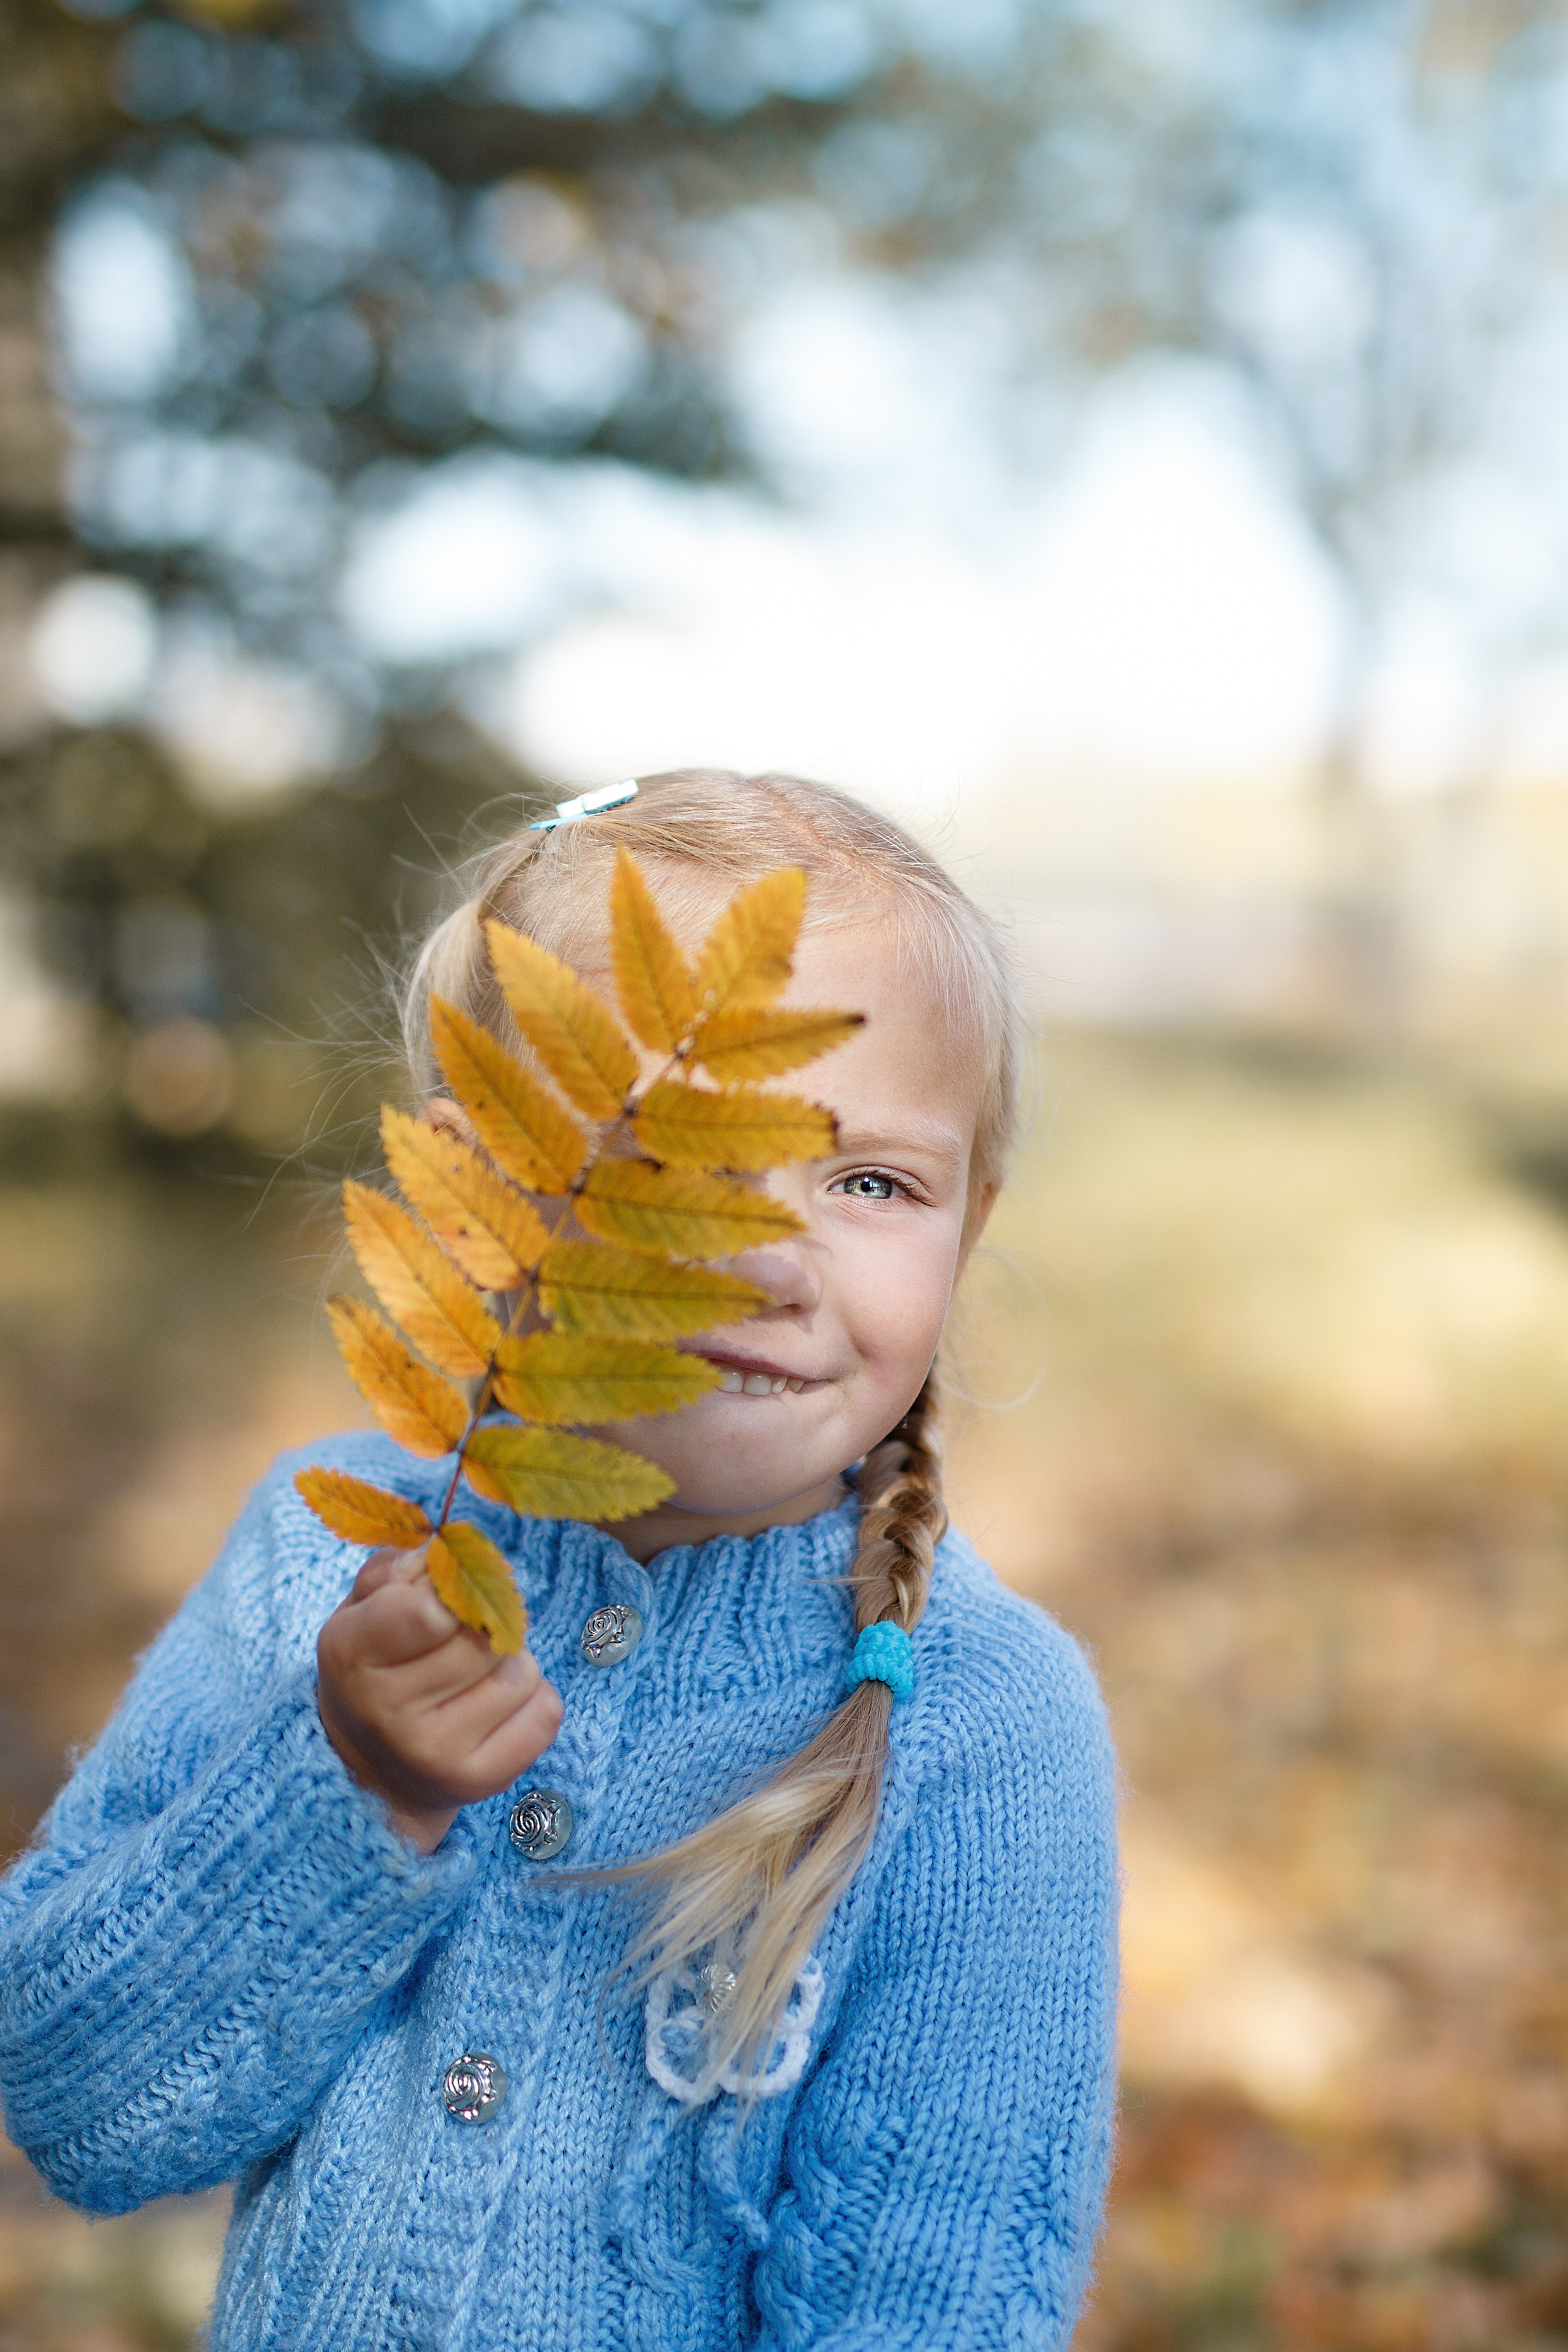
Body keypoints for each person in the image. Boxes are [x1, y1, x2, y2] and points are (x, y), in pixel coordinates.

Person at [0, 769, 1119, 2351]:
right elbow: (78, 2099)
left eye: (870, 1182)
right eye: (672, 1166)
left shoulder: (988, 1728)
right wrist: (351, 1792)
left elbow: (926, 2309)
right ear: (487, 1194)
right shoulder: (331, 1555)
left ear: (969, 1215)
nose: (774, 1260)